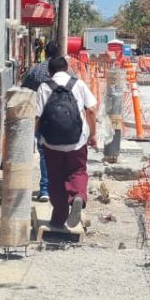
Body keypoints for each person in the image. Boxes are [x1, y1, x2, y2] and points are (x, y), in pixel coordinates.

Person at [34, 56, 98, 229]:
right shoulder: (78, 84)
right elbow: (91, 110)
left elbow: (37, 117)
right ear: (68, 68)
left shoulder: (44, 87)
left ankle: (58, 219)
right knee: (77, 170)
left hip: (51, 143)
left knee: (55, 178)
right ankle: (77, 196)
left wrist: (35, 137)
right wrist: (93, 135)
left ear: (50, 72)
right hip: (76, 141)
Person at [22, 41, 60, 201]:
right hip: (60, 116)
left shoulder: (36, 69)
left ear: (45, 51)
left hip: (40, 118)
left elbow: (25, 89)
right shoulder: (65, 70)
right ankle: (58, 187)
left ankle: (44, 189)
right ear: (58, 52)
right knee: (61, 153)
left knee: (44, 153)